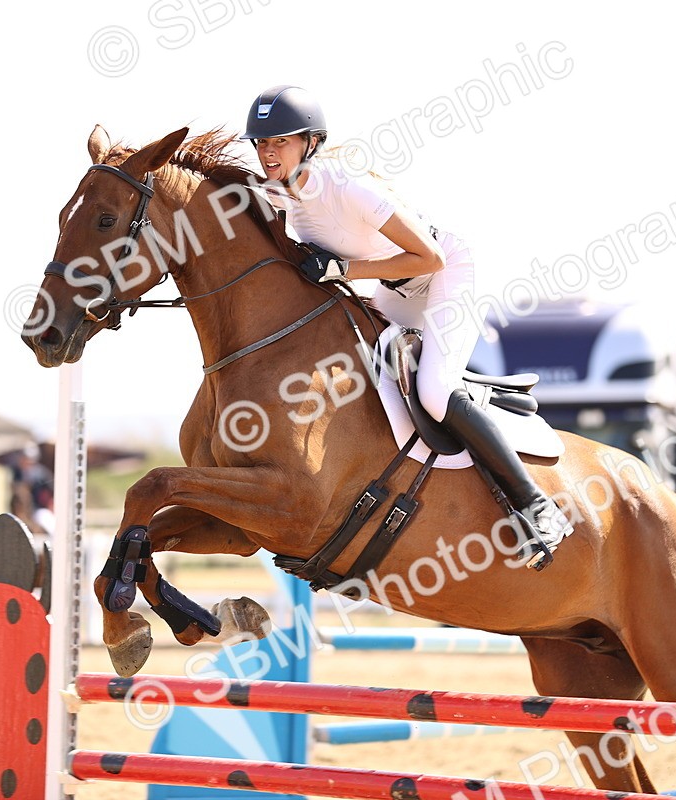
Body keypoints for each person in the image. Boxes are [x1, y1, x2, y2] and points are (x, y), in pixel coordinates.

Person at [239, 85, 573, 569]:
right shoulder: (277, 194)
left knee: (434, 391)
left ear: (311, 142)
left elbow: (428, 257)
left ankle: (535, 505)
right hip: (393, 288)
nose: (269, 153)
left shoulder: (346, 185)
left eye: (281, 141)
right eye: (262, 143)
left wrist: (343, 272)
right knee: (356, 374)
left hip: (443, 275)